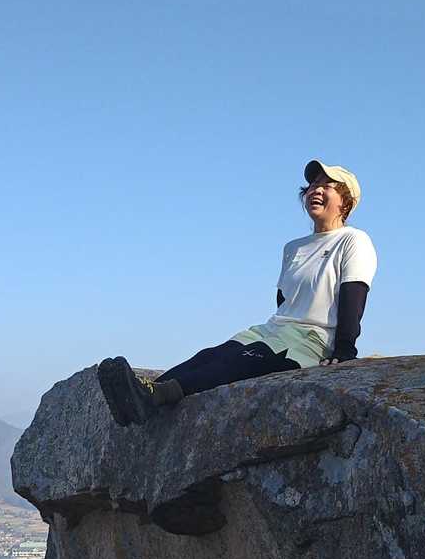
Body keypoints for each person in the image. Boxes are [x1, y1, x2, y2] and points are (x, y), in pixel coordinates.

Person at [98, 159, 377, 426]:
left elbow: (353, 296)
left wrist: (344, 351)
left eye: (327, 186)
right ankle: (140, 393)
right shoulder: (293, 247)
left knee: (238, 363)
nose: (316, 190)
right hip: (274, 329)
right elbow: (285, 302)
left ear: (346, 202)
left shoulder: (353, 240)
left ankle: (157, 395)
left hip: (310, 340)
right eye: (313, 184)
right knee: (211, 355)